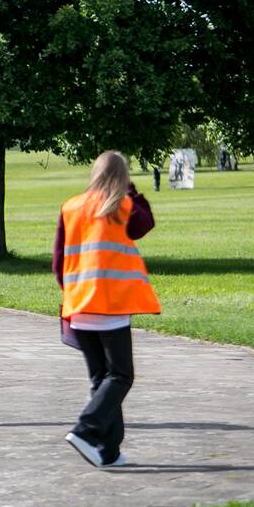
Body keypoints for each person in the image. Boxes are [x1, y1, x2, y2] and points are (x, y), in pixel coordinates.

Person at [53, 150, 160, 468]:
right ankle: (86, 430)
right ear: (122, 177)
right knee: (121, 375)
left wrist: (73, 292)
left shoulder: (71, 207)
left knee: (102, 379)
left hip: (80, 304)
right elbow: (146, 223)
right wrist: (132, 191)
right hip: (110, 306)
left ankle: (109, 451)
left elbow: (59, 263)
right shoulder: (122, 206)